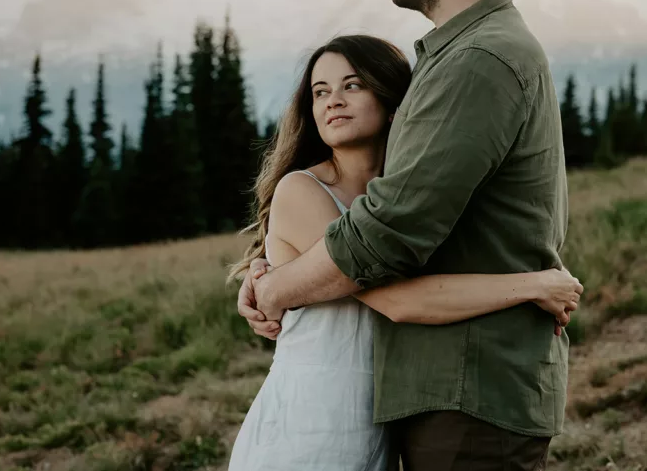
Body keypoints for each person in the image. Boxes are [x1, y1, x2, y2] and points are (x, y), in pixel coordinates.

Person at [237, 0, 577, 469]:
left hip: (468, 387)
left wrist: (277, 287)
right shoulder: (458, 56)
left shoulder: (477, 60)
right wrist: (273, 270)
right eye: (322, 91)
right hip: (438, 389)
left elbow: (388, 233)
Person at [226, 34, 582, 470]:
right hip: (308, 423)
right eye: (320, 92)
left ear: (392, 100)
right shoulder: (302, 190)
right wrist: (534, 286)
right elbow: (397, 300)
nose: (333, 100)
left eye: (352, 85)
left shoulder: (405, 204)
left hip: (377, 428)